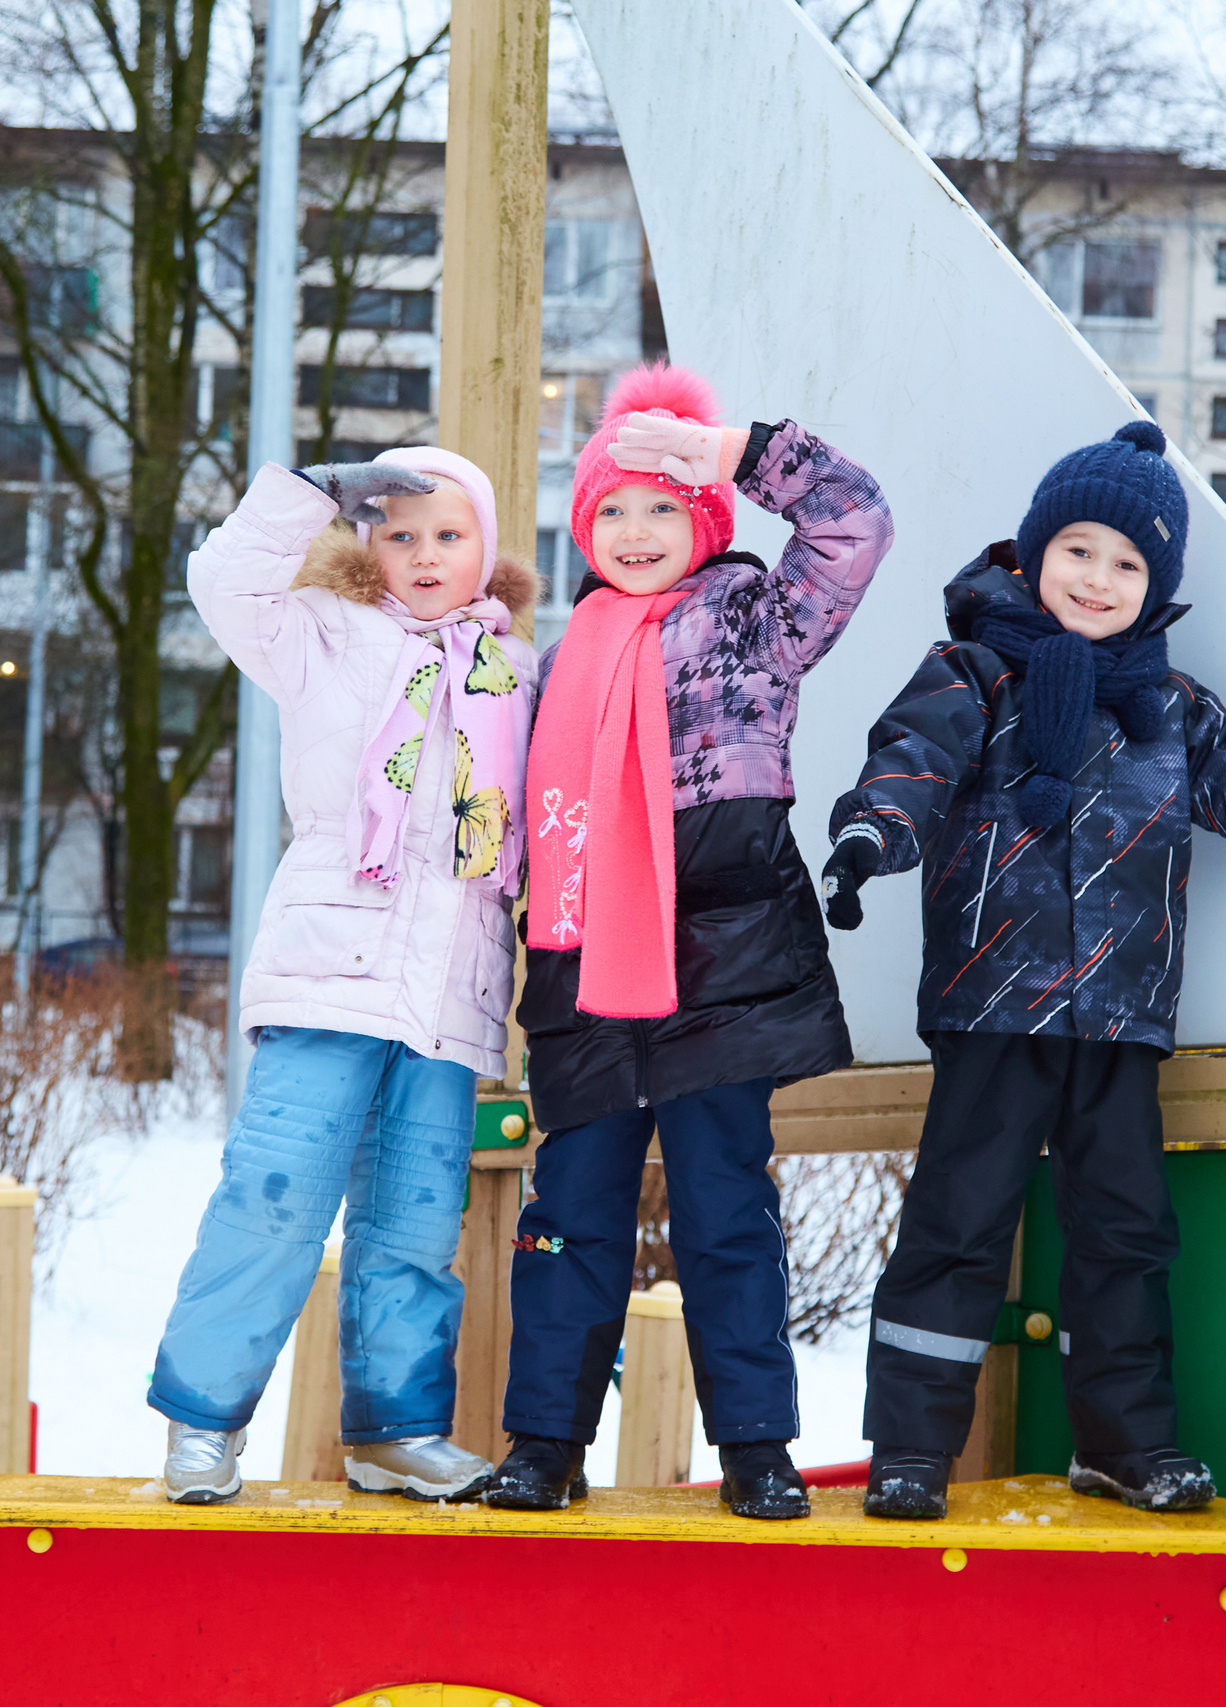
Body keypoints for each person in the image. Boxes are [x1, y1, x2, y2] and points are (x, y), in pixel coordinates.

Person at [818, 420, 1226, 1519]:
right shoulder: (974, 671)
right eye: (1079, 552)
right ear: (1033, 553)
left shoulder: (1168, 706)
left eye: (1126, 563)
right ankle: (912, 1448)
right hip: (994, 1002)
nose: (1098, 579)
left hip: (1122, 1017)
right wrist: (872, 834)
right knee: (958, 1224)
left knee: (1123, 1231)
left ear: (1153, 587)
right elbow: (911, 761)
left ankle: (1121, 1441)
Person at [482, 364, 894, 1520]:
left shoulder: (754, 621)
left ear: (703, 519)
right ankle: (544, 1443)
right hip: (585, 968)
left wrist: (736, 450)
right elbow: (521, 822)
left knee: (725, 1212)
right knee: (569, 1218)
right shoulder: (562, 660)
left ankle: (756, 1446)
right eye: (611, 507)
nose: (635, 529)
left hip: (720, 960)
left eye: (661, 505)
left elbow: (853, 518)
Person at [151, 447, 538, 1505]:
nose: (423, 555)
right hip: (331, 966)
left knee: (415, 1224)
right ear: (367, 540)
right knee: (272, 1200)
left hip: (451, 990)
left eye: (448, 536)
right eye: (399, 532)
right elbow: (222, 579)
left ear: (486, 550)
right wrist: (312, 490)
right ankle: (202, 1422)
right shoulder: (320, 634)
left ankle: (396, 1429)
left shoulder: (513, 675)